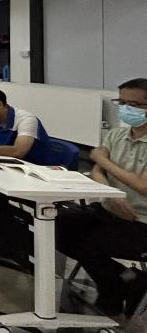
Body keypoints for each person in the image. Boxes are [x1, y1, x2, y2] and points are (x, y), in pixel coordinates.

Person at [56, 78, 147, 320]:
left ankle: (115, 291)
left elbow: (142, 186)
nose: (125, 109)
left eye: (133, 105)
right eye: (121, 102)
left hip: (140, 220)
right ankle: (129, 279)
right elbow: (97, 170)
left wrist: (102, 158)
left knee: (91, 244)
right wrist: (109, 192)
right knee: (58, 224)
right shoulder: (117, 134)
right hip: (109, 209)